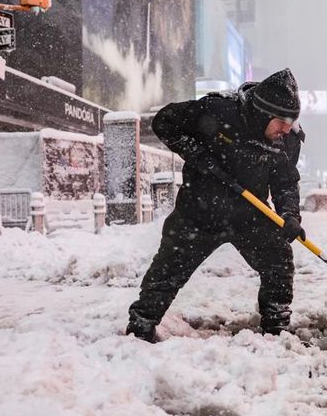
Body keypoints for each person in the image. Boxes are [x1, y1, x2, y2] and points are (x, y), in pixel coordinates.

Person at [126, 69, 306, 343]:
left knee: (278, 260)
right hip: (199, 212)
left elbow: (285, 181)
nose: (286, 128)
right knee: (168, 270)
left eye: (291, 121)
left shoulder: (287, 140)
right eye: (282, 121)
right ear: (263, 113)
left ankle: (276, 328)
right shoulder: (218, 111)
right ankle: (141, 325)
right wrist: (196, 153)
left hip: (250, 215)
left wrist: (290, 214)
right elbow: (164, 121)